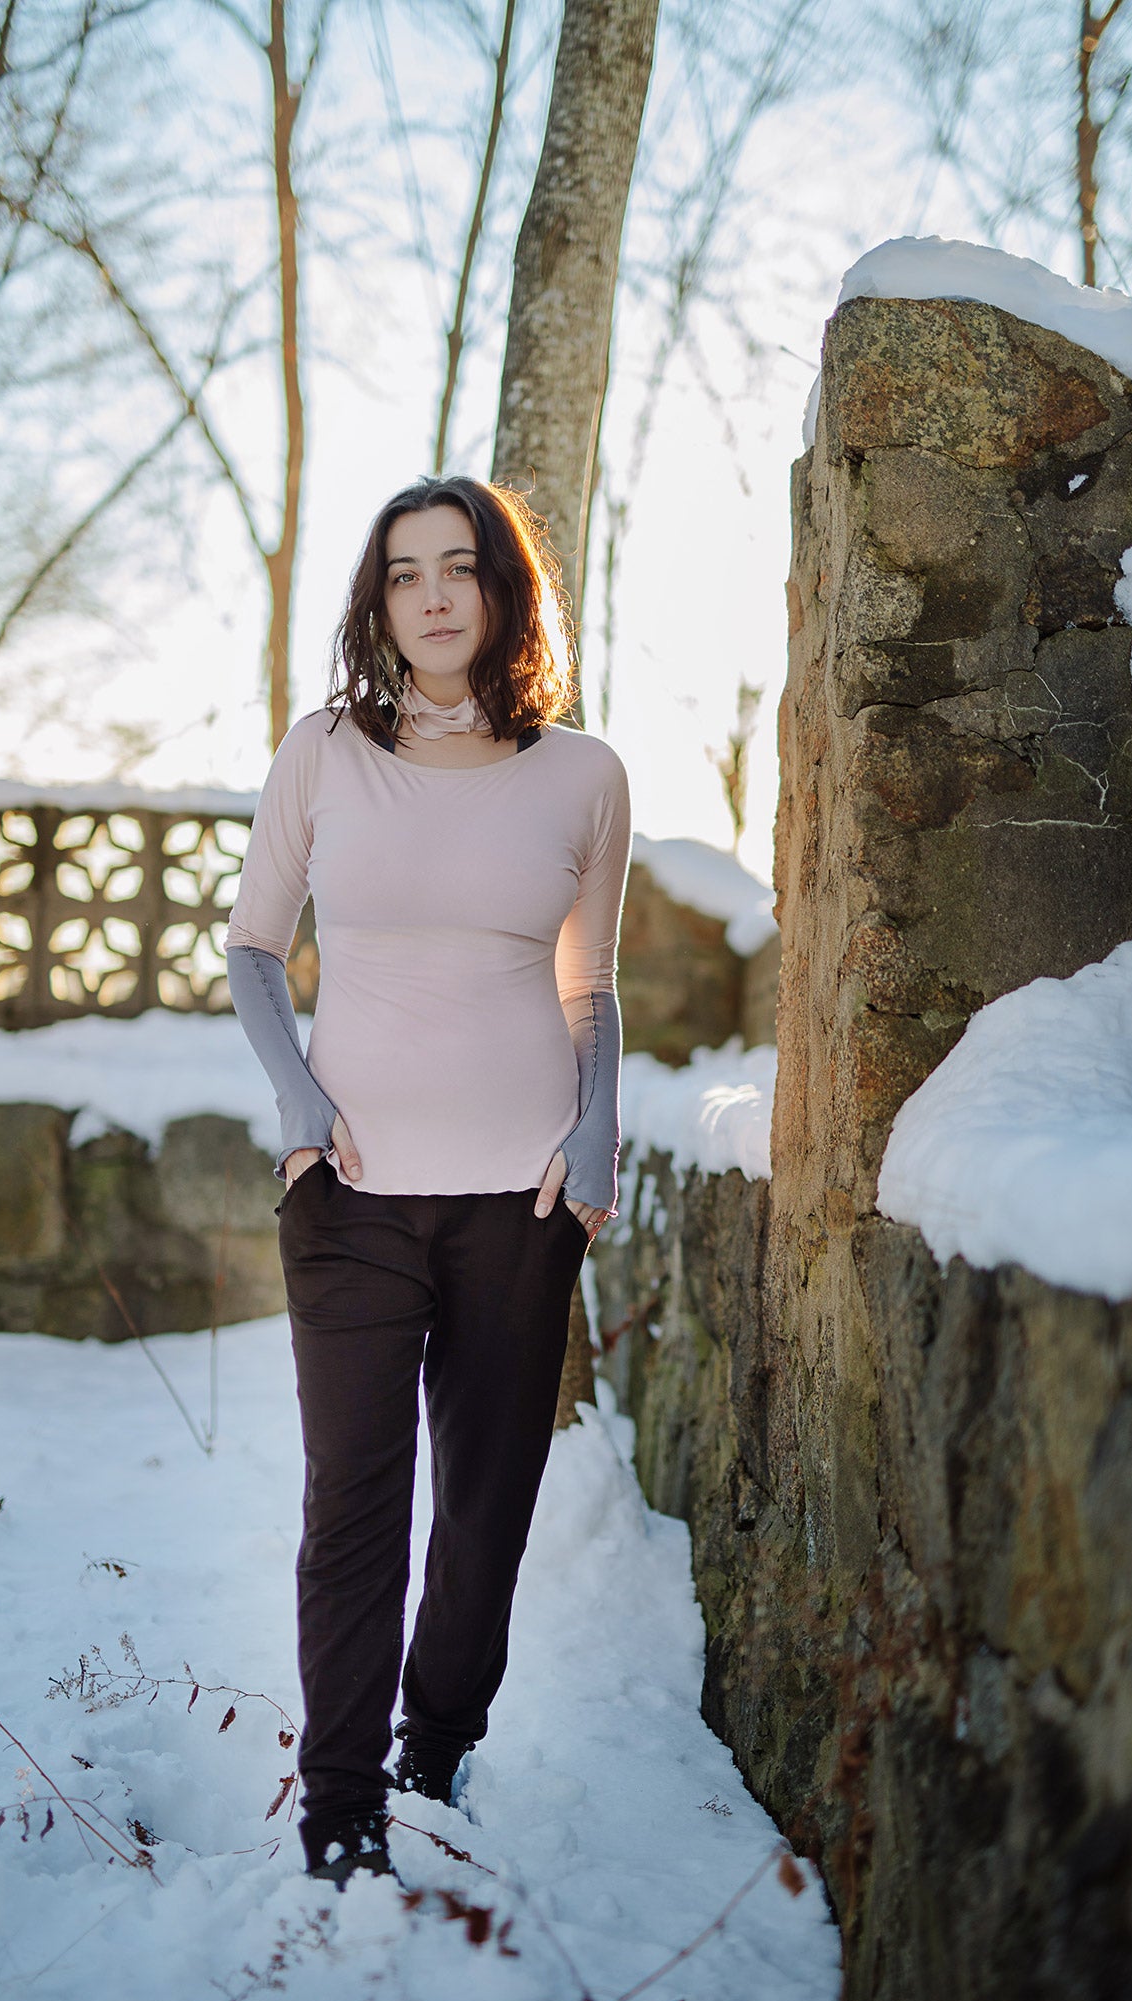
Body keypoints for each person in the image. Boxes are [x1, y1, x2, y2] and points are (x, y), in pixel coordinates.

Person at [224, 473, 632, 1889]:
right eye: (405, 573)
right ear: (379, 601)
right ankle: (339, 1799)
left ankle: (435, 1741)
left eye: (460, 567)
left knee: (486, 1500)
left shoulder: (582, 774)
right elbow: (254, 950)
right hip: (349, 1195)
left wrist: (596, 1134)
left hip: (522, 1204)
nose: (435, 594)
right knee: (354, 1502)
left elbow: (595, 979)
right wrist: (297, 1097)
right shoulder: (326, 752)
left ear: (503, 593)